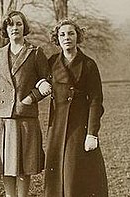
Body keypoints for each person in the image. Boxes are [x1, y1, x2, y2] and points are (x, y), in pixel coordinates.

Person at [0, 10, 51, 197]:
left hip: (25, 117)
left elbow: (47, 81)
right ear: (5, 29)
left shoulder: (35, 52)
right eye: (10, 24)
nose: (14, 28)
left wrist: (31, 97)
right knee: (6, 163)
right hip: (2, 116)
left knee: (23, 164)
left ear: (24, 27)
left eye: (18, 24)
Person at [44, 19, 108, 197]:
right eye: (62, 34)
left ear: (77, 36)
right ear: (57, 39)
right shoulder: (52, 62)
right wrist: (41, 83)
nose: (66, 38)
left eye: (71, 33)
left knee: (76, 174)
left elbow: (96, 101)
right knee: (56, 175)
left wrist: (92, 133)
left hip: (80, 126)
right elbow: (36, 81)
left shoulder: (88, 64)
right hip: (57, 126)